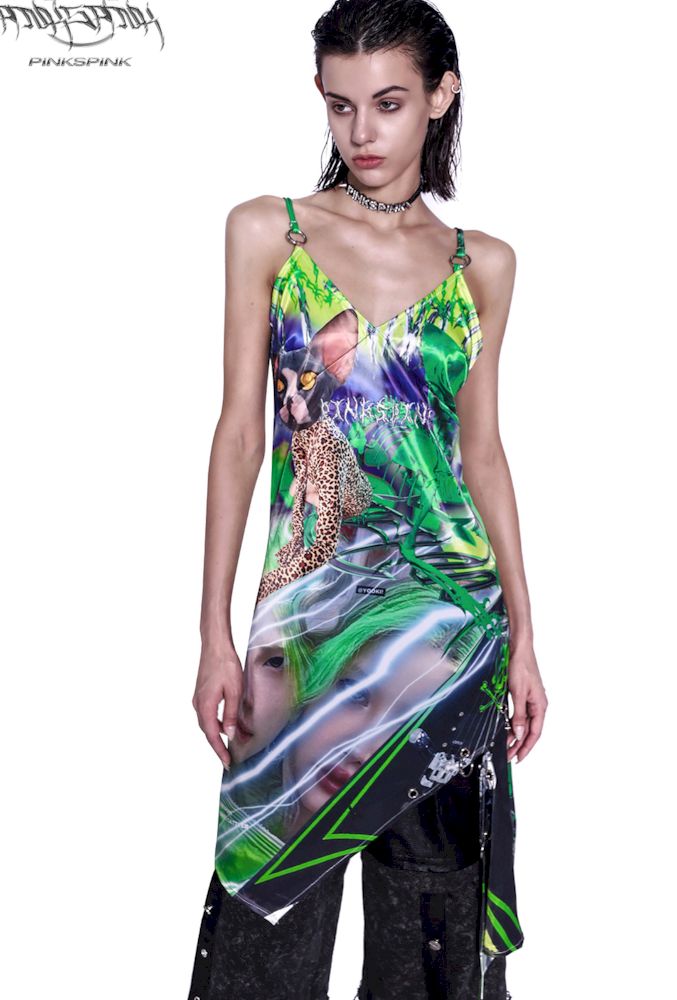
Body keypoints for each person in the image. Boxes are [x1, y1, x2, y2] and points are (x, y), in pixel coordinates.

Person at [188, 1, 548, 998]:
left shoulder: (484, 265)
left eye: (388, 103)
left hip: (446, 634)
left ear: (441, 96)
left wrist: (525, 635)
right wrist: (215, 632)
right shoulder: (271, 233)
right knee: (264, 934)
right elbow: (239, 435)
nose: (363, 132)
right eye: (341, 105)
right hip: (304, 629)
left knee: (430, 946)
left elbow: (482, 455)